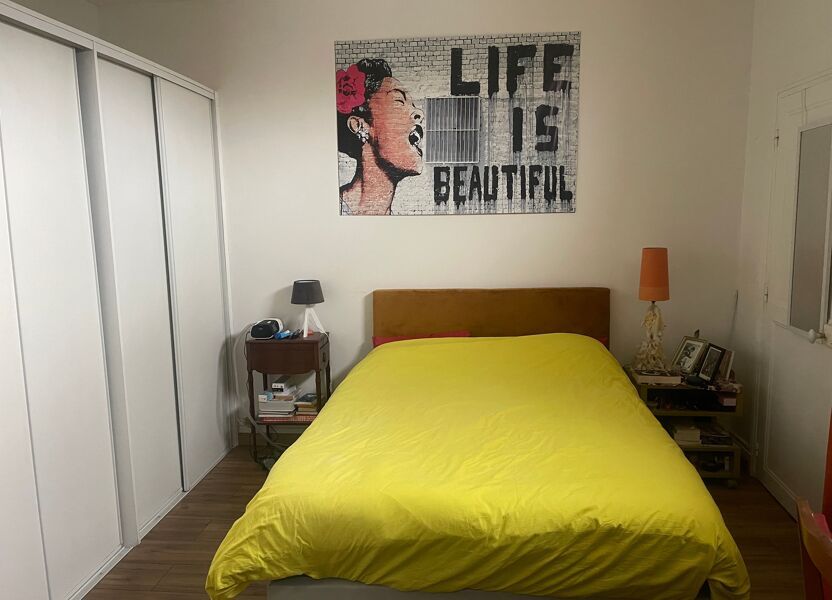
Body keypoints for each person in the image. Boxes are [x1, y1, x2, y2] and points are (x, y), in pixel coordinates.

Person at [336, 59, 425, 215]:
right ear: (360, 125)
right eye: (399, 101)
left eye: (413, 105)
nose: (419, 113)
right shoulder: (327, 209)